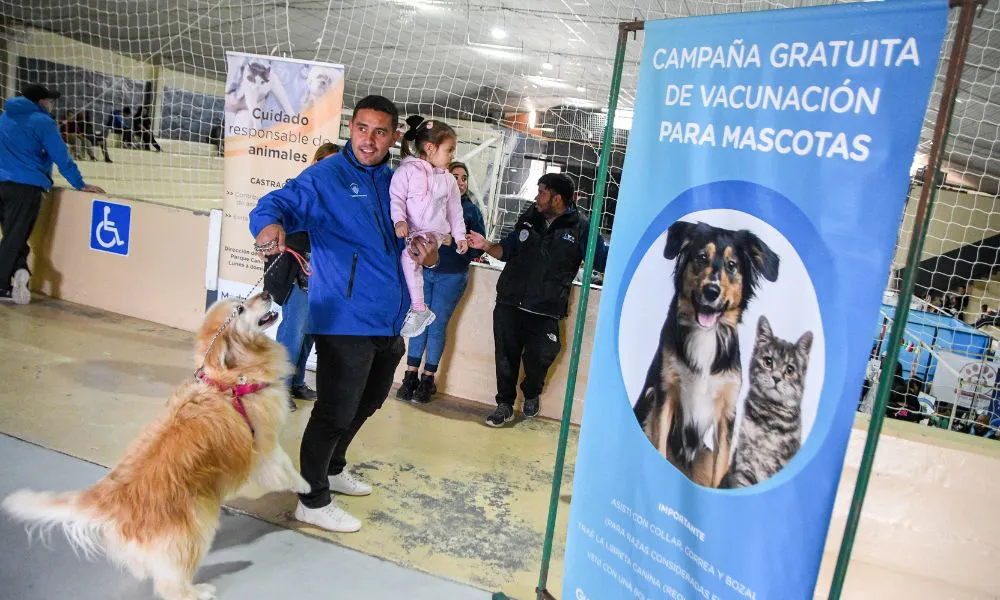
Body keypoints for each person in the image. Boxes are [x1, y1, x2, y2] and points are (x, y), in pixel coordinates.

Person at [250, 95, 440, 533]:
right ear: (350, 129)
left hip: (388, 318)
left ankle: (333, 468)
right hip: (342, 316)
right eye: (360, 128)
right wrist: (269, 226)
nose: (368, 140)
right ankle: (311, 499)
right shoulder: (326, 176)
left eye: (379, 131)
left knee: (369, 402)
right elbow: (277, 204)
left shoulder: (399, 182)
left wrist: (428, 255)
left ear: (394, 137)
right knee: (334, 409)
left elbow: (422, 253)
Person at [467, 173, 610, 427]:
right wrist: (486, 245)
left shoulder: (582, 226)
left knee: (542, 355)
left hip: (546, 308)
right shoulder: (528, 218)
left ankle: (531, 391)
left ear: (557, 198)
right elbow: (506, 251)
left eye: (542, 192)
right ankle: (504, 405)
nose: (537, 197)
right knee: (506, 356)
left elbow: (602, 261)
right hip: (510, 301)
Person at [0, 84, 104, 304]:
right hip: (25, 186)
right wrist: (80, 184)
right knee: (15, 237)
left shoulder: (4, 118)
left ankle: (20, 271)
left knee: (11, 235)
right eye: (48, 101)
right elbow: (61, 156)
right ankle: (1, 284)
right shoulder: (43, 122)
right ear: (40, 102)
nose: (51, 105)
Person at [397, 161, 486, 404]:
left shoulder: (470, 212)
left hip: (451, 275)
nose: (459, 181)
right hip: (425, 272)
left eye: (464, 178)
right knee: (419, 321)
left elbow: (477, 251)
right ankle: (410, 375)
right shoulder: (429, 203)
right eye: (454, 176)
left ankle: (428, 379)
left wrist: (454, 243)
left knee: (436, 326)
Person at [268, 142, 341, 413]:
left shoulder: (339, 197)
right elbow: (281, 219)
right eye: (327, 163)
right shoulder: (300, 190)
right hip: (298, 270)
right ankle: (279, 389)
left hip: (323, 275)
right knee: (294, 329)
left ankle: (296, 382)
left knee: (310, 331)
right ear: (316, 163)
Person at [389, 115, 468, 339]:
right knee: (410, 263)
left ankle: (419, 307)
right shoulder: (406, 171)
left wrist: (459, 235)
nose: (452, 156)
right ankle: (419, 308)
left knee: (409, 259)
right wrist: (399, 220)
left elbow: (455, 210)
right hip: (411, 231)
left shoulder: (449, 180)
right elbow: (397, 198)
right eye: (449, 150)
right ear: (431, 148)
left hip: (433, 233)